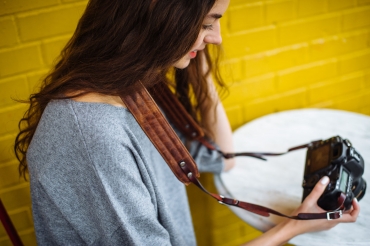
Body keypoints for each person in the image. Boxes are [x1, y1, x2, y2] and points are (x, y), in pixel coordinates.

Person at [14, 0, 359, 245]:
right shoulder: (92, 137)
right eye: (208, 23)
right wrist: (292, 227)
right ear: (160, 18)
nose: (217, 37)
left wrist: (197, 60)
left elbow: (224, 155)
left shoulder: (132, 91)